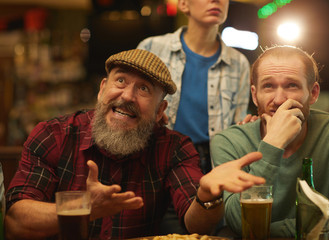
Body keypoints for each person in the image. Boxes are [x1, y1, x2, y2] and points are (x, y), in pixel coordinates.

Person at [4, 49, 265, 240]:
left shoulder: (173, 148)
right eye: (121, 81)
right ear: (102, 88)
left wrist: (208, 195)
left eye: (144, 89)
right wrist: (84, 208)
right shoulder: (55, 135)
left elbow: (198, 226)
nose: (127, 96)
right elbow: (16, 221)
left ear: (160, 109)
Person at [211, 45, 329, 238]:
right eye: (268, 86)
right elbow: (239, 221)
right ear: (255, 96)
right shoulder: (228, 141)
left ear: (313, 93)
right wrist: (273, 144)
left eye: (292, 85)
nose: (280, 99)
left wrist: (267, 232)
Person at [137, 0, 251, 174]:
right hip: (157, 152)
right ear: (184, 4)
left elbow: (237, 127)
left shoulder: (238, 63)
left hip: (212, 161)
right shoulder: (152, 48)